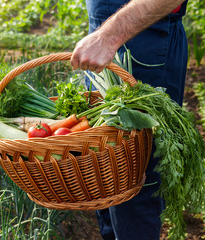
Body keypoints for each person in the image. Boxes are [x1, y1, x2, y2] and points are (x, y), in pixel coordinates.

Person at [71, 0, 188, 239]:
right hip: (107, 39)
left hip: (143, 44)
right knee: (105, 178)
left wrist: (108, 36)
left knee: (134, 188)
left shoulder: (112, 36)